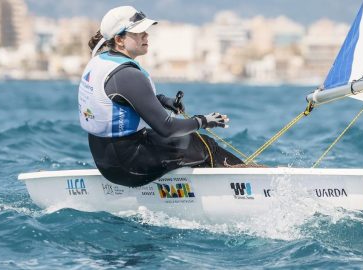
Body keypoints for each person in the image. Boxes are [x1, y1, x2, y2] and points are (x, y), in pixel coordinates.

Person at [78, 6, 244, 187]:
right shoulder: (128, 75)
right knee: (204, 144)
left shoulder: (101, 61)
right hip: (129, 167)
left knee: (186, 144)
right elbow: (167, 128)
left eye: (146, 31)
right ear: (119, 40)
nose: (146, 36)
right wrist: (203, 121)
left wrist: (164, 101)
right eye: (138, 32)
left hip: (106, 161)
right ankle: (245, 182)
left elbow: (125, 100)